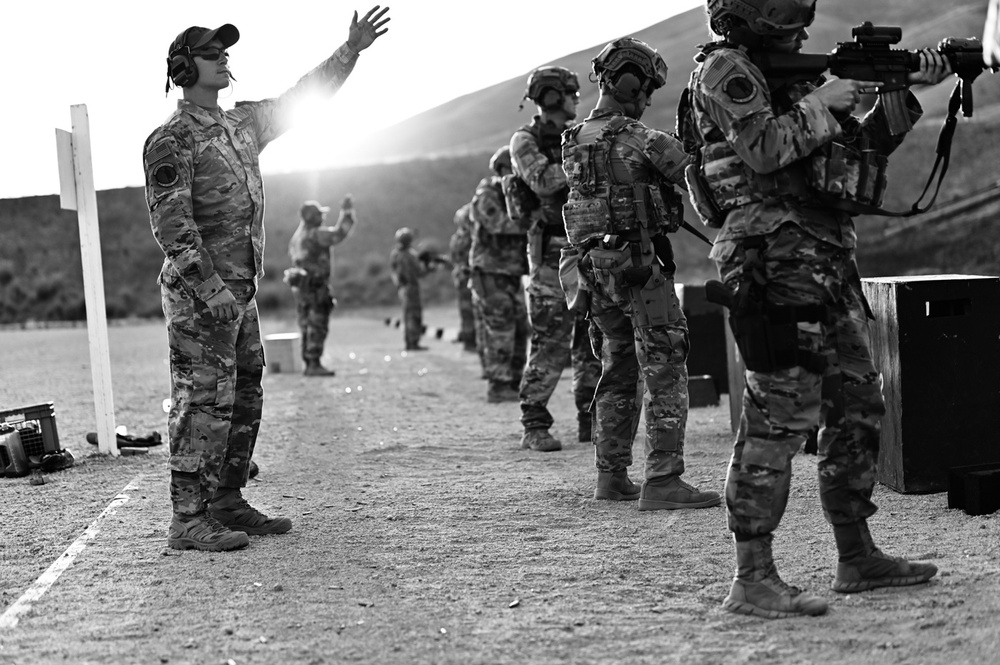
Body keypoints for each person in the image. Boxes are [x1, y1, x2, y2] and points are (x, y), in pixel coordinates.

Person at [686, 0, 951, 617]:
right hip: (770, 258)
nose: (799, 15)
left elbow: (859, 152)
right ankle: (752, 576)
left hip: (825, 254)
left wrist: (905, 92)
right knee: (781, 408)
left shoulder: (800, 80)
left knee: (858, 399)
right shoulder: (726, 69)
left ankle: (856, 557)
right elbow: (761, 149)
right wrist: (823, 100)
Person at [142, 7, 390, 552]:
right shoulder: (171, 140)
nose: (223, 57)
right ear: (183, 68)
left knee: (245, 395)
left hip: (241, 293)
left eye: (225, 51)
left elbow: (302, 99)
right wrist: (209, 289)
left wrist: (348, 51)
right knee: (201, 399)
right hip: (199, 295)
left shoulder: (241, 124)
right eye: (210, 52)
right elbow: (172, 224)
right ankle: (188, 519)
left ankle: (227, 500)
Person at [561, 38, 722, 511]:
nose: (648, 99)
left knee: (617, 368)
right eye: (647, 89)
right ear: (631, 82)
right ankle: (663, 480)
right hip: (637, 269)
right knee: (666, 366)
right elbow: (697, 175)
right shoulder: (641, 139)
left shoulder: (573, 139)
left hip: (593, 270)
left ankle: (610, 476)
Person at [508, 66, 602, 452]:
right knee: (551, 340)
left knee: (593, 339)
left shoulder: (576, 137)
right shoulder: (524, 141)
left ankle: (591, 419)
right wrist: (585, 152)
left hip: (588, 248)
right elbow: (544, 181)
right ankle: (534, 423)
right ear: (550, 97)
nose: (576, 100)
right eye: (570, 94)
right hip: (550, 255)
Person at [470, 147, 530, 403]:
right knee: (500, 329)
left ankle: (513, 381)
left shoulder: (517, 195)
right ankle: (498, 384)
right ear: (505, 169)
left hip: (511, 273)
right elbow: (500, 224)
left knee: (518, 328)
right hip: (491, 272)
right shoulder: (487, 196)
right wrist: (534, 220)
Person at [287, 196, 356, 377]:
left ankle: (309, 362)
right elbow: (339, 233)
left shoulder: (297, 237)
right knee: (318, 325)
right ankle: (314, 363)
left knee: (305, 325)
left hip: (301, 288)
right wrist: (347, 212)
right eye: (319, 215)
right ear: (311, 217)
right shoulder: (316, 234)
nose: (322, 218)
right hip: (316, 287)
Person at [389, 227, 433, 351]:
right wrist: (429, 266)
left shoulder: (395, 254)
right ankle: (413, 342)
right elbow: (419, 272)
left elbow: (393, 271)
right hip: (412, 287)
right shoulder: (410, 255)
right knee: (414, 315)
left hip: (402, 288)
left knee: (407, 315)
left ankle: (409, 342)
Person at [448, 202, 481, 357]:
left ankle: (469, 341)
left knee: (465, 310)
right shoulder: (471, 237)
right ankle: (474, 341)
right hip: (470, 276)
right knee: (474, 310)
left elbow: (453, 259)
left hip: (460, 277)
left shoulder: (456, 238)